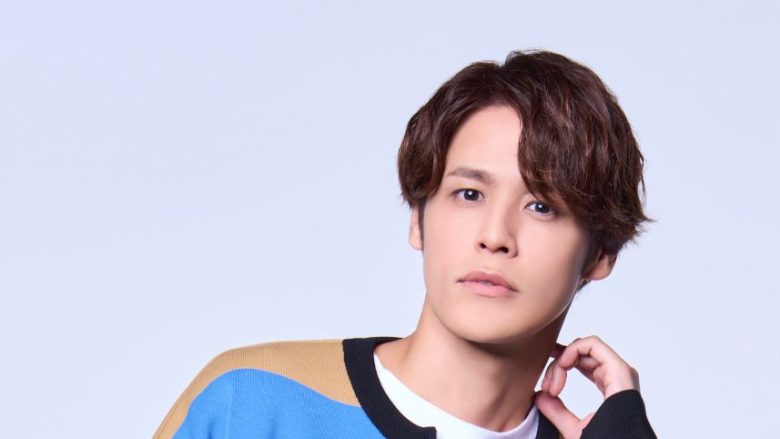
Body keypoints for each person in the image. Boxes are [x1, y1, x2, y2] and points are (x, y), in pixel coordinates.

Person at [153, 50, 657, 439]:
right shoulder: (255, 403)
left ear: (600, 253)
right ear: (418, 219)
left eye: (541, 206)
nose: (495, 237)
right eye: (469, 194)